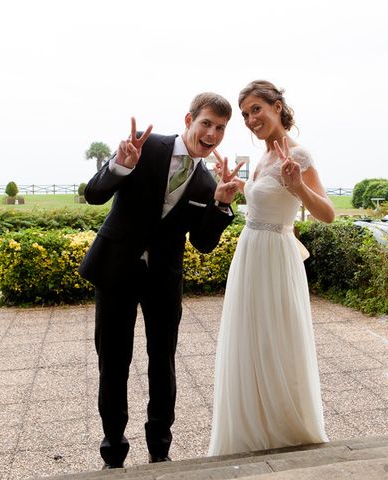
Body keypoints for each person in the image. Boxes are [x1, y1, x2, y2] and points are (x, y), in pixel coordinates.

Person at [79, 92, 242, 468]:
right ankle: (113, 451)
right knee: (113, 362)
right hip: (116, 269)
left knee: (162, 363)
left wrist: (220, 204)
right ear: (189, 120)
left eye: (220, 128)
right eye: (207, 124)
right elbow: (93, 194)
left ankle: (160, 449)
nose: (212, 134)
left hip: (164, 281)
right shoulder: (145, 146)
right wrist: (120, 165)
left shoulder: (206, 182)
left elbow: (202, 243)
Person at [208, 80, 335, 456]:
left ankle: (283, 427)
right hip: (249, 255)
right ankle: (251, 426)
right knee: (250, 340)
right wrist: (235, 188)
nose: (250, 119)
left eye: (256, 110)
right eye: (245, 114)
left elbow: (327, 214)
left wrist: (299, 187)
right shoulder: (264, 157)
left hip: (276, 259)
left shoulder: (299, 155)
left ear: (277, 107)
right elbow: (263, 200)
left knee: (275, 340)